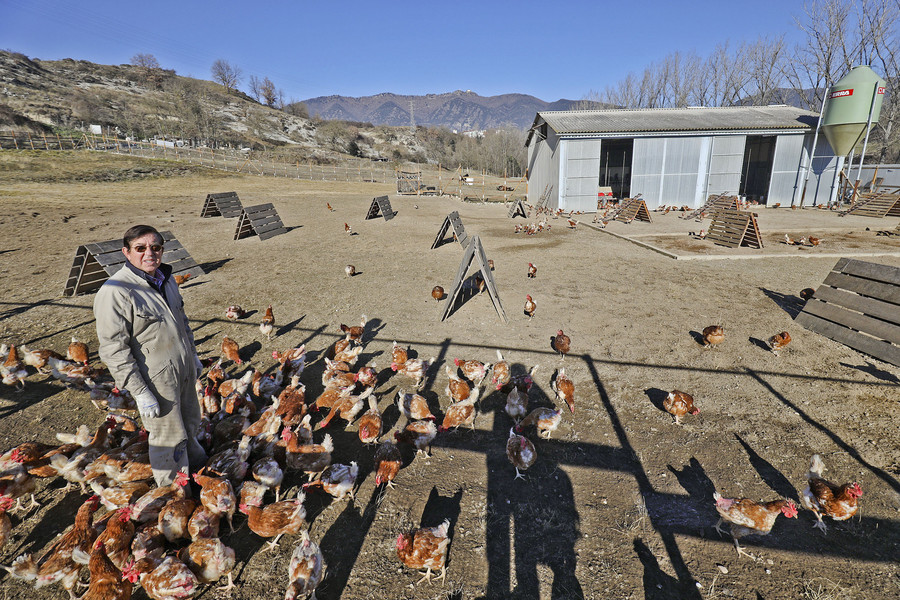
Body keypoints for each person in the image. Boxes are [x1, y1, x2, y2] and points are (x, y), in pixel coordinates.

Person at [94, 225, 207, 487]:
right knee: (167, 438)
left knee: (191, 423)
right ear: (126, 252)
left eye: (155, 247)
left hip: (183, 369)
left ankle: (200, 474)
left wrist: (193, 356)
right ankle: (172, 495)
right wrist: (140, 391)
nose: (149, 254)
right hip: (156, 379)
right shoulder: (116, 292)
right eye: (140, 248)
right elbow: (113, 349)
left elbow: (182, 322)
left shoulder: (166, 279)